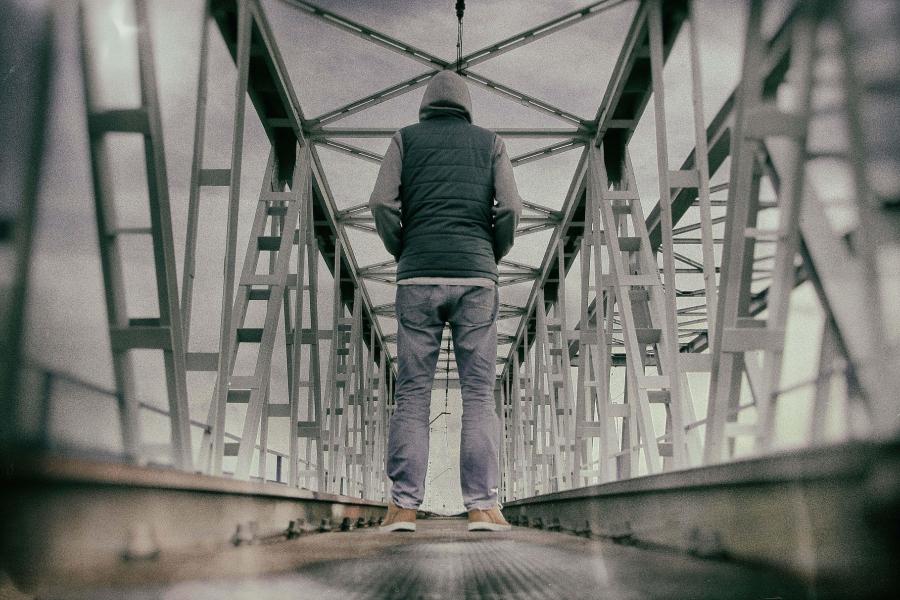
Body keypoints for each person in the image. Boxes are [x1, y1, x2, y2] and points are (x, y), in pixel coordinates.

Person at [369, 70, 522, 532]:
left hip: (417, 276)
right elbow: (512, 208)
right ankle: (480, 507)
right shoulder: (491, 143)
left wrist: (403, 249)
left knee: (413, 393)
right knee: (478, 394)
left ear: (425, 104)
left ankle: (402, 508)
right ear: (467, 105)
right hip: (477, 278)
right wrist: (491, 252)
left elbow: (380, 203)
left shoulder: (404, 140)